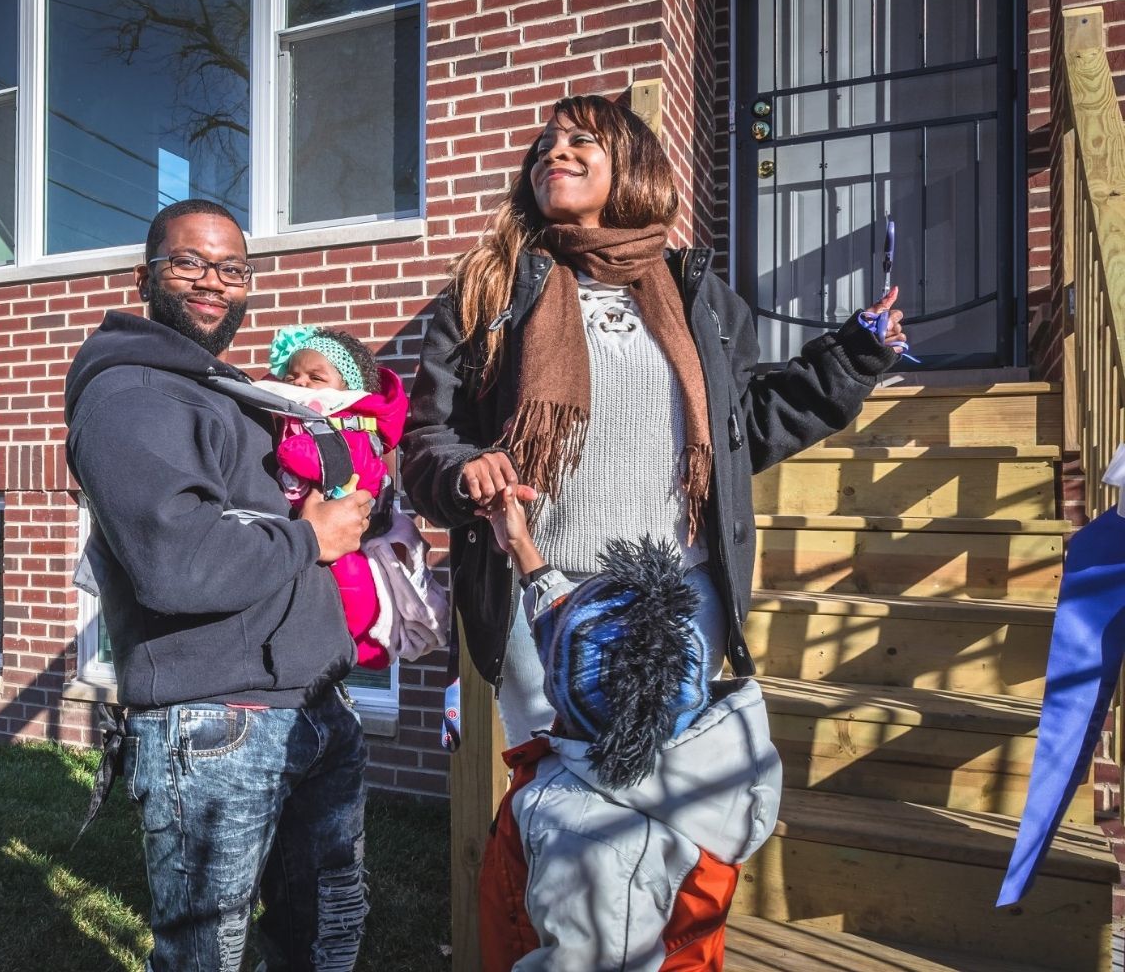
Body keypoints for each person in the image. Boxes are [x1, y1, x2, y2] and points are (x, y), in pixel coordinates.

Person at [404, 92, 905, 749]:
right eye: (545, 147)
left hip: (679, 593)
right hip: (541, 587)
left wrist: (853, 358)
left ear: (634, 164)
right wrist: (463, 468)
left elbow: (743, 428)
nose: (555, 151)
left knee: (669, 800)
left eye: (581, 141)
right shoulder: (488, 293)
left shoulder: (700, 298)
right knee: (558, 792)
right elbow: (425, 442)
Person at [64, 198, 373, 970]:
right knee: (210, 954)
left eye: (232, 268)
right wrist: (313, 536)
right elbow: (177, 563)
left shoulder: (218, 390)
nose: (213, 282)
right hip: (218, 721)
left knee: (323, 933)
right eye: (189, 262)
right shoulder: (133, 394)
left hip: (309, 704)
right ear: (145, 276)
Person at [474, 484, 781, 970]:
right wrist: (522, 547)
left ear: (569, 693)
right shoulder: (676, 736)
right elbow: (576, 637)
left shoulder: (590, 838)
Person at [262, 324, 409, 669]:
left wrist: (290, 448)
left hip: (346, 537)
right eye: (293, 375)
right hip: (317, 533)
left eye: (316, 377)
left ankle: (361, 644)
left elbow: (308, 458)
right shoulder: (303, 419)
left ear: (347, 389)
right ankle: (360, 647)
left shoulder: (347, 425)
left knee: (351, 591)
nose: (299, 383)